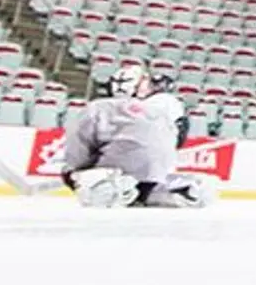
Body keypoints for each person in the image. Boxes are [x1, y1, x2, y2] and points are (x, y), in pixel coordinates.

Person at [62, 63, 213, 209]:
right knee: (149, 180)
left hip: (122, 166)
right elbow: (178, 138)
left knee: (89, 179)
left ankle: (114, 188)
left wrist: (73, 172)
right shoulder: (163, 105)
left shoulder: (98, 107)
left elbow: (79, 143)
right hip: (160, 169)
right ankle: (168, 190)